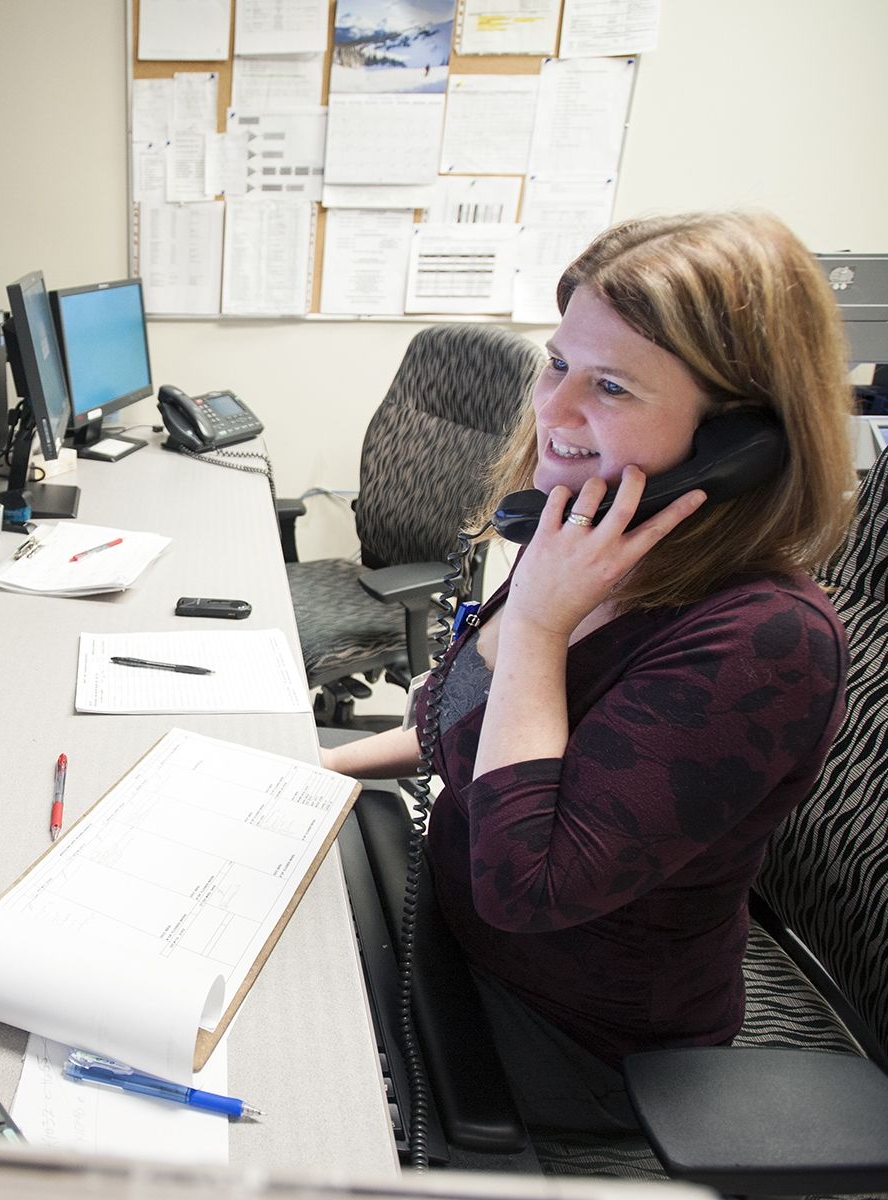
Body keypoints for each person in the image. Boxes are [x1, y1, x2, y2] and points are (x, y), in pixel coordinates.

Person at [322, 210, 856, 1135]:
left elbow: (526, 884)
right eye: (557, 363)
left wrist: (532, 621)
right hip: (446, 932)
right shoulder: (591, 535)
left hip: (564, 1039)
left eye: (610, 386)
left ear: (742, 439)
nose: (553, 412)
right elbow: (474, 732)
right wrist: (319, 763)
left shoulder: (765, 643)